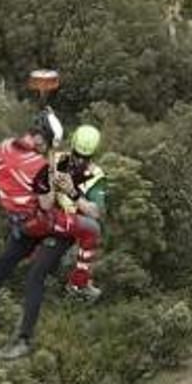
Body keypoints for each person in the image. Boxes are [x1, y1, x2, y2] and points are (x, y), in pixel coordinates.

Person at [0, 107, 102, 360]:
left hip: (20, 223)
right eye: (48, 144)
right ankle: (28, 335)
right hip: (41, 222)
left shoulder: (2, 147)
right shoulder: (41, 166)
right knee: (84, 234)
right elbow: (46, 203)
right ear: (42, 140)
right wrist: (60, 185)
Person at [52, 124, 107, 302]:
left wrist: (73, 193)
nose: (80, 161)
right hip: (50, 213)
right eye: (77, 155)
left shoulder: (96, 175)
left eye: (85, 157)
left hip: (71, 219)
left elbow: (95, 212)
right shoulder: (57, 159)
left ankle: (79, 282)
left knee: (93, 229)